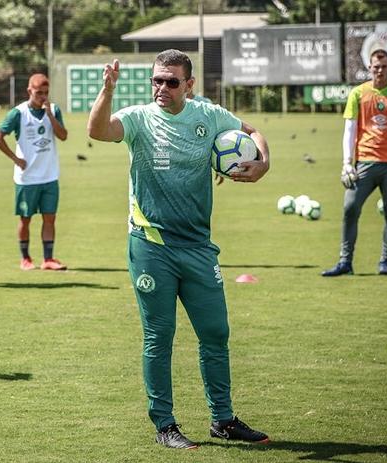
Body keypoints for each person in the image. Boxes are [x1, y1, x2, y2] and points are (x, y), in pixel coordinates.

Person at [87, 50, 271, 450]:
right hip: (151, 246)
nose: (162, 88)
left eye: (171, 82)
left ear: (189, 85)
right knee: (159, 335)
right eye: (157, 80)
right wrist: (107, 90)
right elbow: (98, 131)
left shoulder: (209, 115)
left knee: (215, 332)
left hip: (199, 247)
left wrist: (263, 162)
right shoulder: (139, 118)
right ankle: (165, 424)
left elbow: (253, 132)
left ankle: (222, 420)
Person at [322, 48, 387, 277]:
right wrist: (346, 162)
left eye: (384, 67)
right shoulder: (358, 93)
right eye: (376, 67)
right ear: (369, 67)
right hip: (364, 162)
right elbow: (350, 129)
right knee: (349, 208)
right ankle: (345, 262)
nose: (380, 71)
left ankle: (385, 262)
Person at [0, 73, 68, 271]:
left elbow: (63, 136)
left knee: (49, 218)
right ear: (29, 91)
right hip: (27, 178)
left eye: (45, 93)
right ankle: (25, 259)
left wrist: (50, 115)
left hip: (50, 176)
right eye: (38, 93)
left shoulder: (54, 110)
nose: (42, 96)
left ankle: (48, 259)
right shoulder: (18, 113)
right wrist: (15, 159)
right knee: (25, 219)